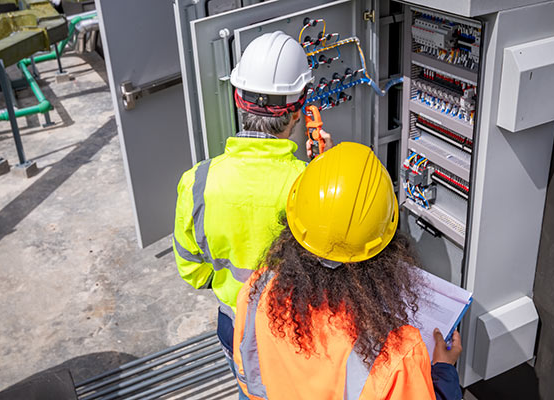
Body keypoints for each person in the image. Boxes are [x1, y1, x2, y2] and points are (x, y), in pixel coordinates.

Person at [233, 142, 463, 399]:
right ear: (385, 250)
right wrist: (444, 371)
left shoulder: (257, 292)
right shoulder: (395, 354)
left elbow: (248, 377)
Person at [172, 31, 332, 398]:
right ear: (299, 108)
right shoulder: (308, 183)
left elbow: (191, 270)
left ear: (236, 98)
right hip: (296, 329)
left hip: (234, 323)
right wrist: (325, 170)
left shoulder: (197, 181)